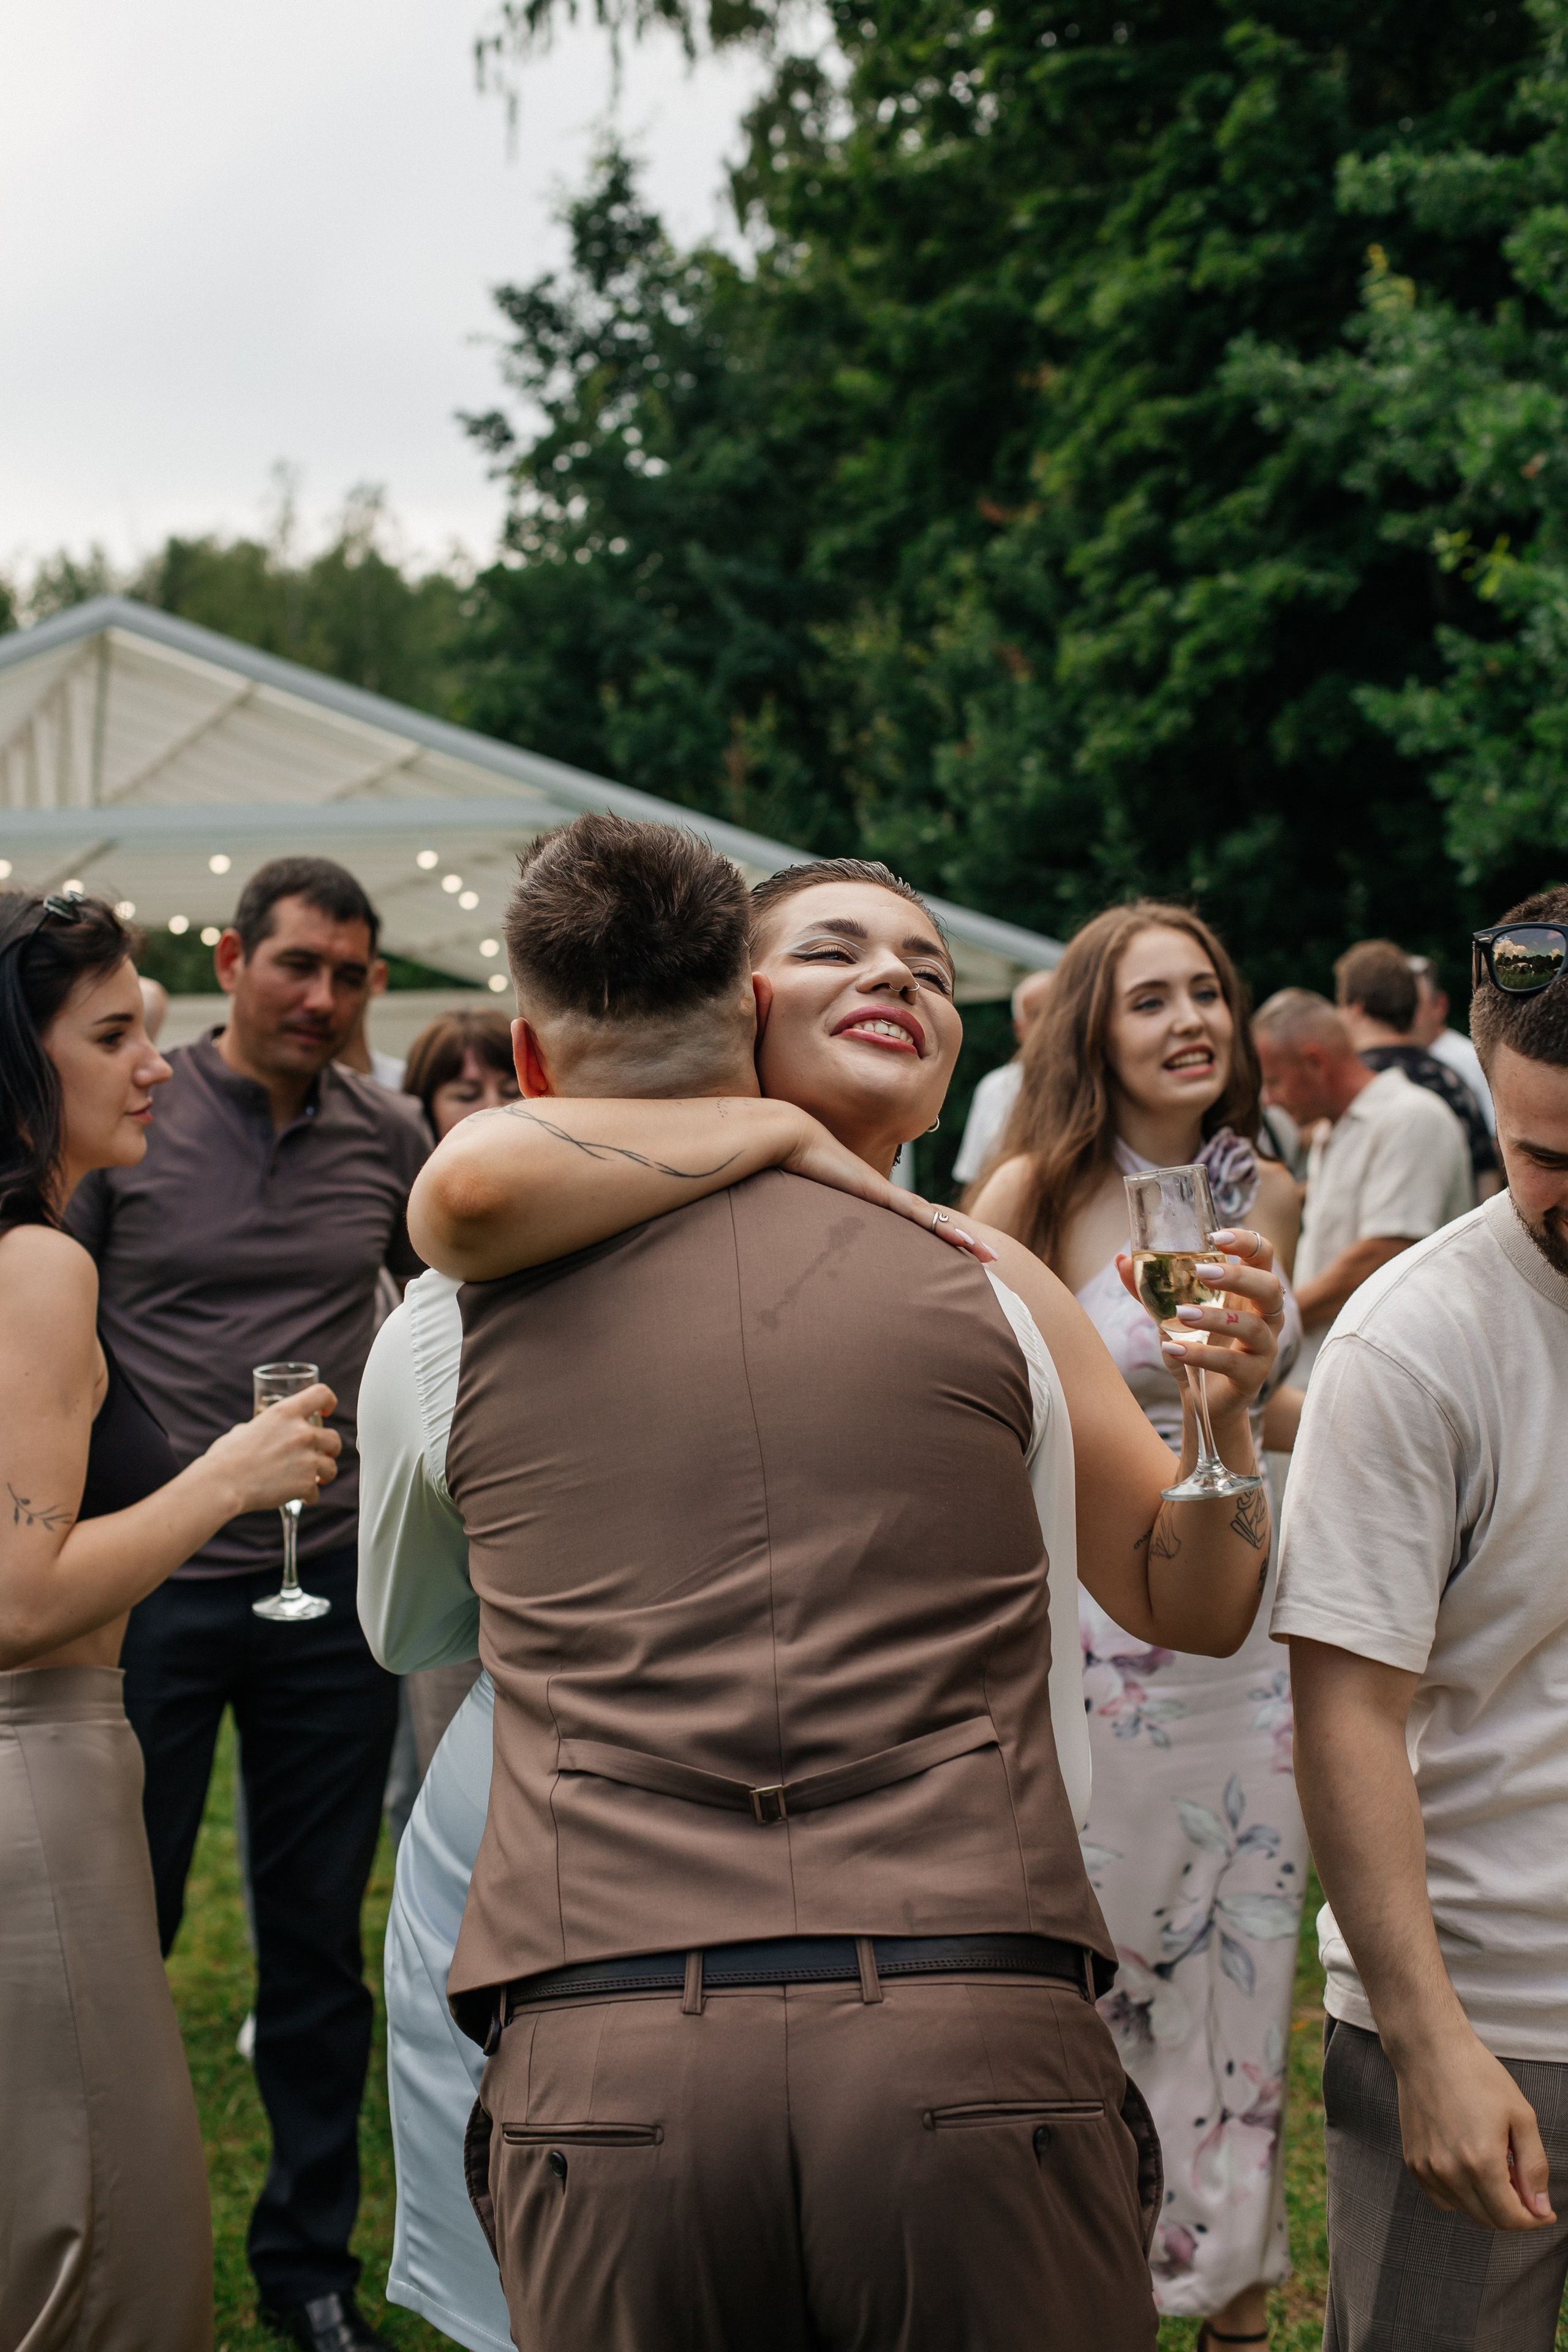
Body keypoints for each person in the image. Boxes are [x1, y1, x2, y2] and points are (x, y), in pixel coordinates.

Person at [361, 824, 1284, 2352]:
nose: (895, 979)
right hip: (871, 2016)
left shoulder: (997, 1282)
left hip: (624, 2041)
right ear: (737, 1007)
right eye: (839, 949)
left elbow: (1188, 1598)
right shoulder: (977, 1280)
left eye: (925, 966)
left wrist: (1226, 1416)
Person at [62, 856, 429, 2352]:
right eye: (297, 966)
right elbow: (51, 1336)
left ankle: (307, 2263)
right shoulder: (134, 1122)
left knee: (313, 1935)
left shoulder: (391, 1136)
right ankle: (88, 2229)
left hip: (329, 1584)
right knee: (116, 1920)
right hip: (150, 1586)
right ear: (230, 959)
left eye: (349, 975)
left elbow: (455, 1312)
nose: (322, 998)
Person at [0, 890, 339, 2352]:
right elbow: (16, 1599)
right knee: (101, 2243)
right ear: (20, 1061)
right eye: (114, 1033)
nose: (156, 1062)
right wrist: (227, 1476)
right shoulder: (38, 1263)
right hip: (37, 1788)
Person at [966, 899, 1305, 2349]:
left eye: (1206, 994)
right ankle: (1091, 2281)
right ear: (1092, 1026)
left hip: (1237, 1631)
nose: (1187, 1021)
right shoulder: (1029, 1187)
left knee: (1238, 1987)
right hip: (1092, 1626)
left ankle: (1227, 2296)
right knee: (1101, 1973)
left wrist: (1243, 1394)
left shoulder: (1258, 1188)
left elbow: (1269, 1408)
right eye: (1150, 997)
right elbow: (964, 1379)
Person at [1273, 887, 1568, 2350]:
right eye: (1544, 1157)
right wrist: (1427, 2037)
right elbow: (1343, 1709)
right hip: (1488, 2013)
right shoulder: (1412, 1340)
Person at [394, 1008, 519, 1784]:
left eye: (510, 1086)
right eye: (463, 1091)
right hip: (439, 1539)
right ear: (421, 1106)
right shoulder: (402, 1222)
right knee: (437, 1763)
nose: (491, 1110)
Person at [1252, 989, 1472, 1385]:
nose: (1268, 1099)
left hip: (1391, 1377)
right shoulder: (1331, 1130)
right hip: (1340, 1373)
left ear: (1315, 1062)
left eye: (1273, 1081)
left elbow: (1382, 1253)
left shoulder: (1411, 1117)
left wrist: (1275, 1317)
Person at [1333, 939, 1499, 1194]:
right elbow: (1487, 1179)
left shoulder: (1350, 1083)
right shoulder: (1451, 1081)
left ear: (1356, 1008)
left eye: (1340, 1005)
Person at [951, 965, 1055, 1185]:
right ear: (1020, 1028)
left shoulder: (1104, 1083)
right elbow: (974, 1179)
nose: (1051, 1023)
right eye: (1038, 1014)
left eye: (1058, 1010)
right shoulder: (994, 1088)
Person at [1409, 952, 1496, 1133]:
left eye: (1414, 1004)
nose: (1405, 1015)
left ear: (1439, 1005)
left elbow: (1495, 1133)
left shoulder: (1472, 1059)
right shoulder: (1402, 1057)